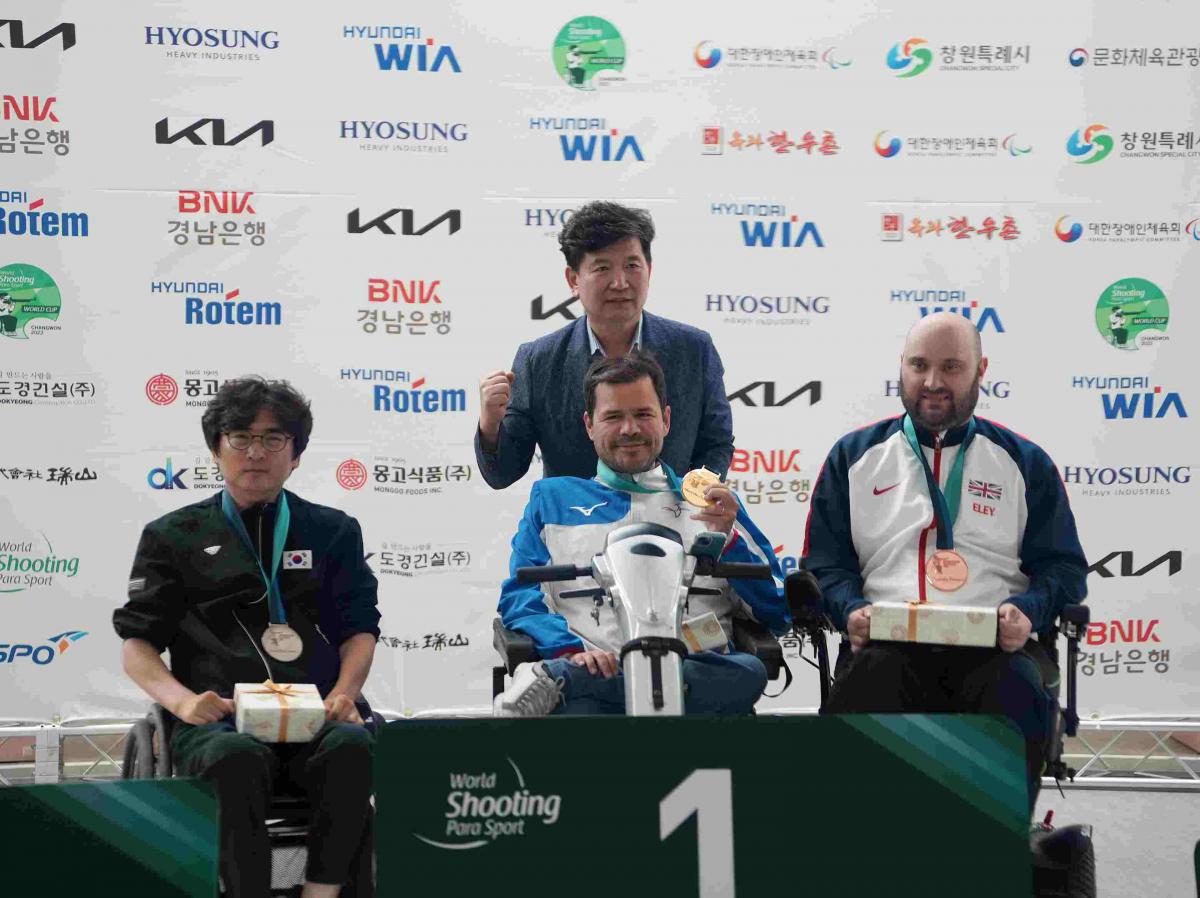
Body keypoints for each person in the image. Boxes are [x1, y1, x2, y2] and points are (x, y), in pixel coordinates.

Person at [803, 311, 1088, 812]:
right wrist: (849, 609)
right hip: (885, 646)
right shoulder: (855, 456)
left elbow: (1064, 569)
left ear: (981, 371)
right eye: (919, 365)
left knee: (1015, 693)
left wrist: (1029, 610)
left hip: (994, 650)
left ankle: (993, 851)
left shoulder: (1024, 461)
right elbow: (824, 565)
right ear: (902, 368)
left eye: (952, 367)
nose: (933, 382)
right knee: (871, 686)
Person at [113, 377, 380, 898]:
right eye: (240, 438)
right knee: (236, 757)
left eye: (273, 439)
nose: (256, 452)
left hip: (315, 716)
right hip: (219, 722)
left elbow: (359, 631)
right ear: (216, 449)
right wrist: (184, 703)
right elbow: (137, 644)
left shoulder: (333, 530)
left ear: (296, 454)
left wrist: (344, 693)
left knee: (352, 745)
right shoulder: (173, 536)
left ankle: (321, 892)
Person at [493, 349, 788, 716]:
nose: (629, 429)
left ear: (665, 419)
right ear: (589, 425)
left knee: (747, 672)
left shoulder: (712, 500)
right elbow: (519, 598)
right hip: (592, 682)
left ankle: (560, 678)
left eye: (643, 415)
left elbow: (777, 607)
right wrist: (570, 651)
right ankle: (575, 676)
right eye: (613, 416)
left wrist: (730, 541)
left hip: (691, 685)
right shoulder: (553, 499)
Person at [475, 201, 735, 489]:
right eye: (602, 268)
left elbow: (716, 445)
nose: (620, 282)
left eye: (632, 266)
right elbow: (503, 474)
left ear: (649, 269)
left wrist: (690, 502)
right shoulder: (538, 361)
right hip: (574, 526)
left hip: (671, 526)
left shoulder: (693, 349)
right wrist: (490, 425)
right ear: (573, 279)